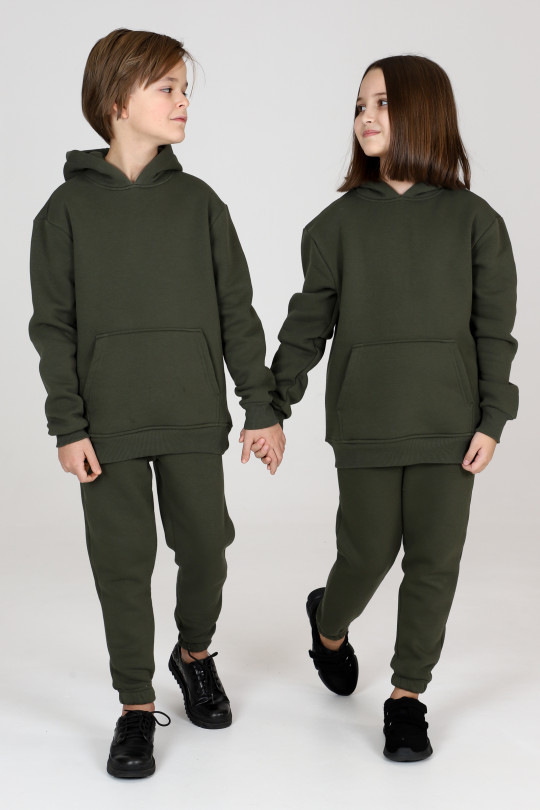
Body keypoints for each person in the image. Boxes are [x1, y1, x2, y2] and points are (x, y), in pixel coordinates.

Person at [28, 27, 285, 779]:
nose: (182, 102)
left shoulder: (201, 204)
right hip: (106, 425)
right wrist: (67, 424)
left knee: (206, 546)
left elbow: (237, 312)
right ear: (116, 100)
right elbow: (53, 327)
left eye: (185, 89)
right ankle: (136, 707)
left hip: (192, 413)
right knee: (122, 563)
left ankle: (194, 654)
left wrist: (261, 407)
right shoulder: (64, 212)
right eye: (167, 88)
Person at [250, 54, 519, 761]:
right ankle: (328, 624)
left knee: (433, 560)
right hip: (366, 421)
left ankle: (406, 698)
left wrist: (493, 418)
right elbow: (306, 328)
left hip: (450, 425)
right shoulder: (335, 226)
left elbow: (494, 332)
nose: (365, 117)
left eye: (382, 103)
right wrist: (271, 407)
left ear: (425, 112)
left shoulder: (476, 222)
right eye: (360, 105)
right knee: (367, 553)